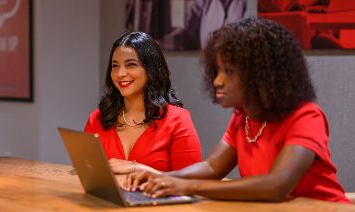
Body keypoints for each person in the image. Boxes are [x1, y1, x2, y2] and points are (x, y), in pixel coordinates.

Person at [123, 17, 352, 204]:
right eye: (219, 70)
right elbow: (212, 167)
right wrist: (161, 178)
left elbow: (276, 186)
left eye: (229, 71)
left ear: (261, 73)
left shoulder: (306, 116)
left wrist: (186, 186)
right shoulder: (243, 115)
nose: (217, 81)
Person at [84, 31, 202, 175]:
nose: (120, 73)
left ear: (151, 69)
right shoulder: (98, 119)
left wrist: (139, 168)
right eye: (115, 66)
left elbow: (192, 183)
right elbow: (87, 174)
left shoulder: (177, 120)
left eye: (131, 64)